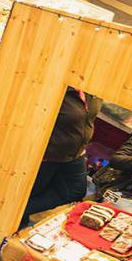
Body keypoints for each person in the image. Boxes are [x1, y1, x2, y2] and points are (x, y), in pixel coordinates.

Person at [22, 88, 100, 222]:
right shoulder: (59, 88)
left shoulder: (94, 93)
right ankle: (13, 222)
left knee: (75, 191)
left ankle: (24, 213)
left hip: (75, 153)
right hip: (49, 155)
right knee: (31, 193)